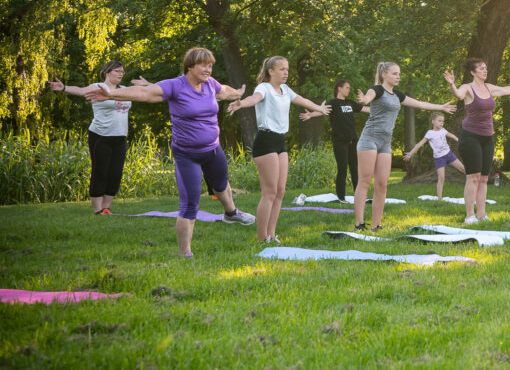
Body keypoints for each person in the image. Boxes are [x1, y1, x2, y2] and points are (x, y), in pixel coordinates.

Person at [85, 47, 254, 257]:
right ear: (190, 66)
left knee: (221, 186)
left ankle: (231, 213)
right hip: (187, 154)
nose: (208, 69)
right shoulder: (175, 86)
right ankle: (186, 253)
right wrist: (111, 93)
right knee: (190, 203)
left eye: (210, 65)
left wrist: (238, 93)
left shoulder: (210, 84)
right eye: (203, 64)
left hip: (213, 149)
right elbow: (145, 93)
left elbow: (225, 91)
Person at [226, 56, 331, 244]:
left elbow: (303, 100)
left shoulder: (286, 90)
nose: (286, 73)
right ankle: (261, 238)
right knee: (269, 192)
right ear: (271, 71)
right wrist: (241, 103)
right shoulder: (263, 88)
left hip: (280, 141)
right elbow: (254, 98)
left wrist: (319, 109)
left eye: (287, 69)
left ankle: (272, 235)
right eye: (282, 69)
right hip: (265, 140)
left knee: (280, 191)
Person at [354, 62, 456, 230]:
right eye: (394, 73)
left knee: (382, 184)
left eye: (399, 74)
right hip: (369, 139)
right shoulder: (377, 90)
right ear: (384, 74)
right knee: (365, 181)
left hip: (385, 143)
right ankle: (359, 223)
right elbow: (368, 96)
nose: (398, 76)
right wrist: (364, 99)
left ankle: (376, 225)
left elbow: (421, 104)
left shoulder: (397, 95)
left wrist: (441, 107)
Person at [444, 59, 510, 224]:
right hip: (470, 136)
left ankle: (482, 215)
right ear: (473, 72)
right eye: (481, 68)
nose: (485, 70)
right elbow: (458, 94)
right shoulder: (468, 88)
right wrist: (451, 84)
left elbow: (505, 90)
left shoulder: (489, 87)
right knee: (473, 177)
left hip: (487, 137)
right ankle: (470, 216)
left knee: (484, 178)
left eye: (486, 68)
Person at [49, 61, 142, 214]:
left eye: (122, 71)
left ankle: (106, 208)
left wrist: (147, 84)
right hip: (100, 136)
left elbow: (145, 92)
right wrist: (64, 88)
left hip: (120, 137)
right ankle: (97, 210)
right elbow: (80, 90)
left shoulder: (125, 90)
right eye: (117, 71)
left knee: (116, 173)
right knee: (101, 172)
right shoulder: (99, 87)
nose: (121, 74)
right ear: (107, 73)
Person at [403, 113, 466, 199]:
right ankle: (439, 198)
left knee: (464, 169)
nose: (441, 123)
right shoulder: (430, 133)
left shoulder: (443, 130)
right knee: (441, 178)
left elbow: (453, 136)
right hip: (439, 158)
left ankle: (475, 184)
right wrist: (411, 153)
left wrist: (460, 142)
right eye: (439, 121)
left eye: (442, 121)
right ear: (433, 121)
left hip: (448, 154)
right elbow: (419, 144)